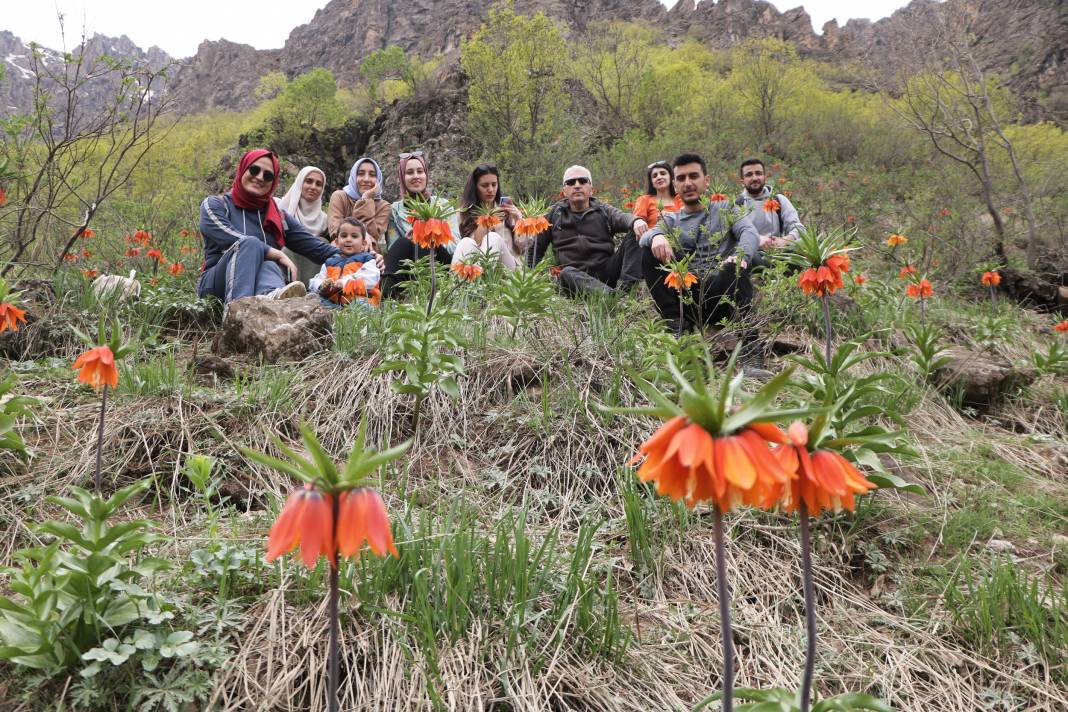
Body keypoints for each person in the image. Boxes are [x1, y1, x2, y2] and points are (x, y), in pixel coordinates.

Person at [641, 152, 767, 373]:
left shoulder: (726, 209)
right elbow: (646, 236)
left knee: (734, 266)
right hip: (687, 296)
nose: (688, 183)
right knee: (648, 251)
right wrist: (656, 236)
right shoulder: (671, 219)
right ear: (675, 184)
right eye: (681, 178)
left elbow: (749, 233)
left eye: (694, 176)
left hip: (722, 294)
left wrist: (739, 256)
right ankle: (677, 327)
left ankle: (751, 353)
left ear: (706, 181)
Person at [198, 149, 338, 304]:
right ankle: (238, 310)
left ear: (273, 182)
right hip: (217, 285)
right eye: (254, 169)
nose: (259, 177)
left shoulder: (280, 217)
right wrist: (276, 253)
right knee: (250, 244)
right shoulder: (215, 205)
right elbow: (231, 238)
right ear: (243, 169)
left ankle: (272, 299)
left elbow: (318, 249)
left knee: (269, 264)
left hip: (263, 281)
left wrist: (360, 255)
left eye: (268, 175)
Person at [529, 165, 649, 295]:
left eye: (582, 181)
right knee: (566, 273)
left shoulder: (602, 209)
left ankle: (625, 290)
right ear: (564, 190)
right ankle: (613, 297)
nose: (577, 185)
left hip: (607, 271)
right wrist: (530, 280)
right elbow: (535, 248)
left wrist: (636, 221)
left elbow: (621, 217)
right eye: (571, 182)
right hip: (575, 279)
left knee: (637, 233)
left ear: (591, 189)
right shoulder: (554, 214)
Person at [381, 151, 459, 297]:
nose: (416, 176)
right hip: (410, 264)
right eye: (409, 172)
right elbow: (393, 249)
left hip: (441, 260)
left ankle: (429, 292)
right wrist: (412, 238)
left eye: (420, 171)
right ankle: (386, 298)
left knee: (423, 240)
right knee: (405, 242)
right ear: (402, 177)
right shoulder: (395, 210)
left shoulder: (443, 205)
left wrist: (431, 235)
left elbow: (454, 245)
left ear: (426, 175)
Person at [452, 163, 525, 270]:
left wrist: (518, 219)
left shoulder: (508, 210)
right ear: (475, 188)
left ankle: (476, 280)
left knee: (493, 238)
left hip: (509, 268)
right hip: (476, 263)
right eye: (485, 185)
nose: (491, 189)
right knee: (465, 242)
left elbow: (524, 246)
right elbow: (475, 245)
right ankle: (458, 285)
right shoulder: (463, 213)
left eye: (494, 184)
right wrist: (489, 220)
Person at [735, 158, 804, 259]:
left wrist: (785, 240)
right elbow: (733, 237)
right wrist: (757, 239)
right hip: (751, 255)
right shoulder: (737, 205)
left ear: (765, 177)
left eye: (758, 173)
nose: (754, 178)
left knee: (803, 244)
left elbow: (799, 228)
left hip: (778, 251)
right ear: (742, 181)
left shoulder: (779, 199)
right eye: (749, 175)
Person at [308, 218, 381, 309]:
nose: (348, 239)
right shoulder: (330, 262)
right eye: (344, 236)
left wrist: (344, 283)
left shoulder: (367, 260)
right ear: (337, 242)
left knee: (361, 305)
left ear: (363, 244)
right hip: (333, 302)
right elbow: (317, 279)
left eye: (354, 236)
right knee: (315, 299)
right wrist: (321, 286)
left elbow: (370, 279)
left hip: (361, 301)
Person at [277, 166, 329, 285]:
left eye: (318, 184)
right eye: (309, 181)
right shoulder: (279, 208)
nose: (313, 187)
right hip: (281, 267)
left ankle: (314, 288)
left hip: (311, 274)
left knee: (322, 242)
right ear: (300, 182)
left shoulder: (324, 221)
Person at [327, 157, 391, 250]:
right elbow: (336, 232)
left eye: (372, 175)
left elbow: (373, 236)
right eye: (360, 174)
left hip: (368, 253)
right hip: (341, 250)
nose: (366, 179)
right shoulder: (340, 197)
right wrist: (362, 236)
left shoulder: (383, 206)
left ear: (378, 180)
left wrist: (366, 198)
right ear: (353, 176)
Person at [631, 160, 682, 230]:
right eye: (655, 176)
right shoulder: (644, 200)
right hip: (651, 238)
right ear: (651, 182)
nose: (659, 177)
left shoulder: (680, 197)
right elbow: (638, 223)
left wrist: (669, 217)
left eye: (663, 173)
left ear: (671, 177)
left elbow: (688, 219)